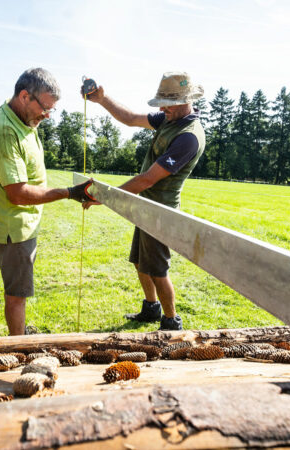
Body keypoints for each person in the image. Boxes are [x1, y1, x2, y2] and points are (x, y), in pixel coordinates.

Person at [85, 72, 205, 331]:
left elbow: (148, 179)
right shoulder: (170, 118)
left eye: (167, 102)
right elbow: (129, 119)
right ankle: (151, 308)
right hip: (145, 205)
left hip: (160, 210)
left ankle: (171, 321)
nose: (161, 108)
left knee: (158, 268)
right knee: (141, 261)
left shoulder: (188, 136)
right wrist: (102, 100)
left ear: (185, 101)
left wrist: (105, 197)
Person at [0, 67, 93, 336]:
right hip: (13, 225)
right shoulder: (5, 132)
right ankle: (18, 344)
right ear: (24, 96)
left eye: (51, 109)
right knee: (17, 293)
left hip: (21, 222)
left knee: (20, 289)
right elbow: (17, 193)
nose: (47, 115)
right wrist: (69, 193)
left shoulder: (23, 119)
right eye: (45, 107)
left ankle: (19, 331)